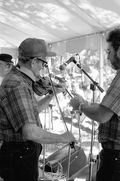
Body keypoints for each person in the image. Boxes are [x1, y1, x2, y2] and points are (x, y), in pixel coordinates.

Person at [0, 38, 76, 181]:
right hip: (19, 155)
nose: (43, 67)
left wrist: (52, 95)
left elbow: (31, 113)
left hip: (20, 154)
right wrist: (62, 138)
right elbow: (30, 132)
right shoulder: (18, 85)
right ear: (33, 61)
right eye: (43, 62)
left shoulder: (20, 80)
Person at [69, 28, 120, 181]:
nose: (108, 56)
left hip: (116, 156)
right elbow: (111, 110)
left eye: (109, 51)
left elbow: (102, 115)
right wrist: (89, 104)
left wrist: (80, 105)